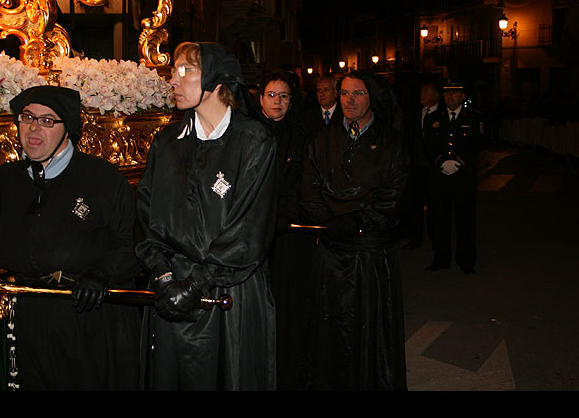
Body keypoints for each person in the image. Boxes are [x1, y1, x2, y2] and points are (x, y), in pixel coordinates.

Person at [0, 85, 142, 390]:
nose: (33, 127)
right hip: (32, 319)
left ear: (67, 128)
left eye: (46, 120)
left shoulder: (102, 180)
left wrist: (101, 275)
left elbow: (132, 245)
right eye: (27, 117)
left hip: (89, 320)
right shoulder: (7, 179)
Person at [135, 42, 278, 391]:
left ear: (216, 79)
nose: (173, 80)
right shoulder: (168, 140)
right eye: (173, 71)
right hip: (169, 290)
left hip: (228, 294)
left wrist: (197, 283)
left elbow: (249, 228)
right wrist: (164, 275)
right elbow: (145, 210)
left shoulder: (253, 140)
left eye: (185, 71)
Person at [299, 70, 410, 390]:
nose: (349, 100)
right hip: (332, 251)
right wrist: (332, 223)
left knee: (369, 329)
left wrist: (357, 223)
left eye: (357, 93)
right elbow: (309, 189)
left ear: (372, 97)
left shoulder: (391, 140)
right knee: (332, 329)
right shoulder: (321, 138)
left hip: (370, 255)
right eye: (344, 93)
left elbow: (395, 193)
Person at [255, 71, 315, 390]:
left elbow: (302, 186)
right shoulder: (248, 133)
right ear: (260, 98)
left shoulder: (301, 135)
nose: (277, 102)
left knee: (289, 304)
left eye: (284, 96)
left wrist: (281, 216)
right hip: (254, 232)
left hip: (287, 232)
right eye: (272, 95)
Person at [423, 82, 483, 274]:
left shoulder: (473, 118)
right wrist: (440, 162)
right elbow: (428, 145)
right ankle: (441, 258)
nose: (450, 97)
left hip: (463, 176)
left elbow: (477, 145)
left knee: (465, 220)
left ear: (462, 95)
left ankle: (466, 260)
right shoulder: (434, 117)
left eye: (455, 93)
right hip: (440, 177)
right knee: (440, 218)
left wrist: (459, 161)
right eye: (447, 93)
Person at [400, 82, 441, 249]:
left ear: (435, 95)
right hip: (416, 167)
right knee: (414, 204)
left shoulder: (442, 114)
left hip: (434, 169)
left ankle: (436, 239)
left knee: (435, 206)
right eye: (421, 91)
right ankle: (415, 237)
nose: (421, 94)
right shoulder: (415, 115)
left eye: (426, 92)